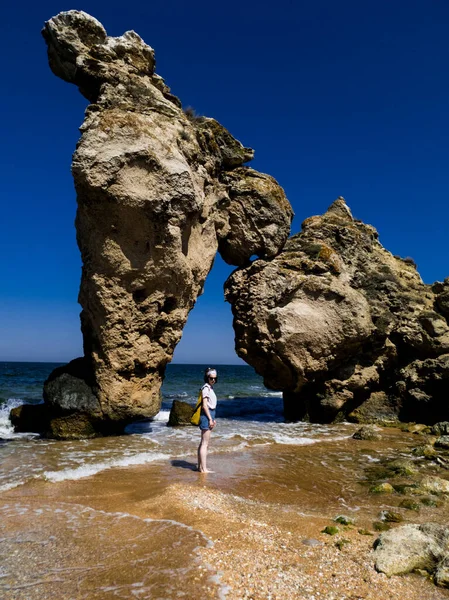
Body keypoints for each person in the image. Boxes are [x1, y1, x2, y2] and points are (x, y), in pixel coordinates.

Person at [197, 367, 218, 473]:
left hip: (209, 415)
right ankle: (203, 469)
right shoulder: (206, 388)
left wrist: (213, 418)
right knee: (205, 443)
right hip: (206, 415)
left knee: (203, 443)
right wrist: (210, 419)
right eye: (211, 378)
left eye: (215, 378)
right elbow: (205, 406)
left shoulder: (210, 388)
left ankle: (200, 467)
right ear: (207, 377)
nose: (213, 380)